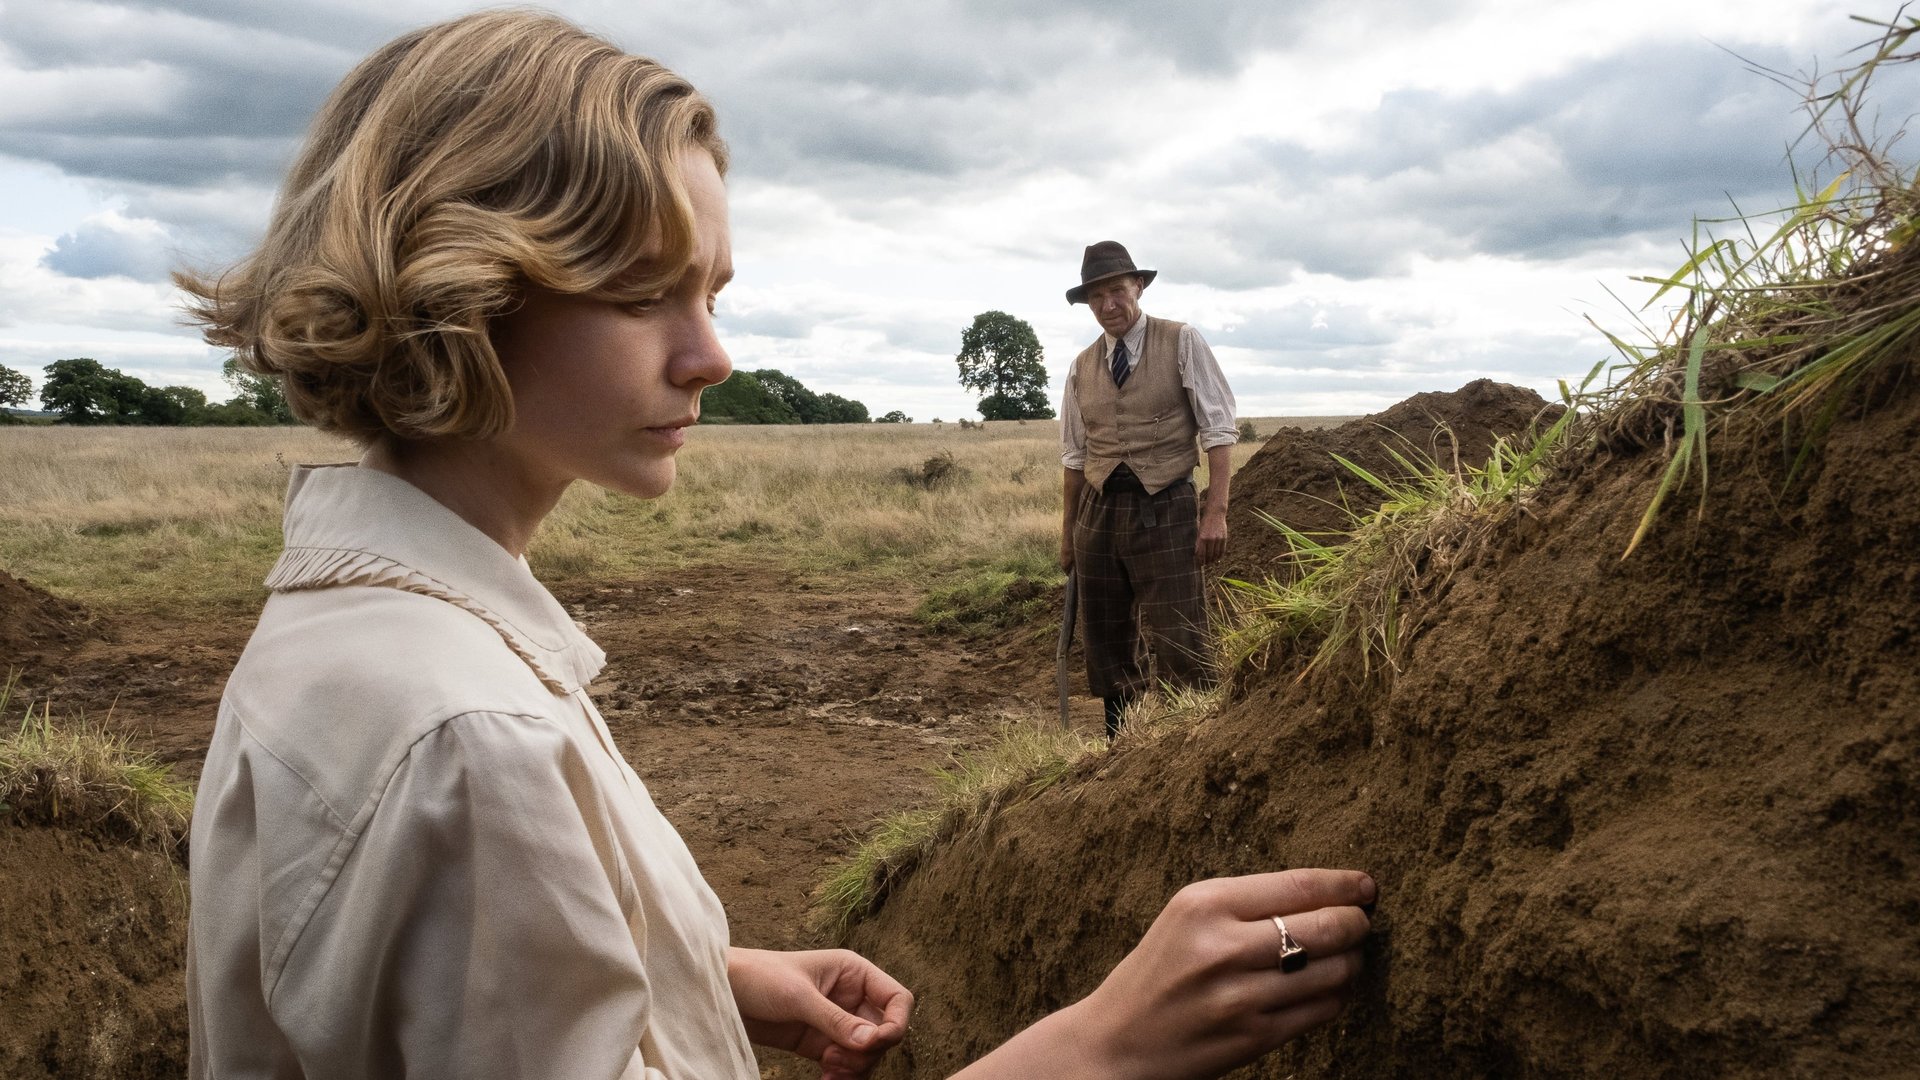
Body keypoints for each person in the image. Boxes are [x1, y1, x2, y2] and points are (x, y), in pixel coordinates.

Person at [178, 12, 1373, 1080]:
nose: (713, 357)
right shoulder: (466, 738)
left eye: (714, 293)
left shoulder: (347, 628)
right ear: (463, 282)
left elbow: (419, 981)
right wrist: (1102, 1047)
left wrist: (700, 973)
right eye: (644, 291)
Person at [1060, 241, 1239, 739]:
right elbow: (1075, 458)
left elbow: (1219, 430)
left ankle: (1195, 741)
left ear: (1138, 287)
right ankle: (1123, 747)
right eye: (1096, 297)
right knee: (1107, 637)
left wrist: (1216, 512)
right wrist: (1068, 534)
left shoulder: (1181, 341)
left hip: (1166, 504)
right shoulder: (1081, 366)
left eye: (1117, 291)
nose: (1108, 306)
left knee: (1179, 631)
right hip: (1098, 511)